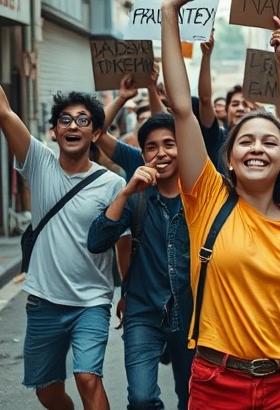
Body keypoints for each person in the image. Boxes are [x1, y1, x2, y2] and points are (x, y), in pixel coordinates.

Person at [160, 0, 280, 410]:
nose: (257, 148)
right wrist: (169, 16)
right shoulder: (206, 199)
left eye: (268, 143)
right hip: (215, 381)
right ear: (228, 159)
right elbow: (183, 108)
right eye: (246, 141)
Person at [0, 7, 125, 410]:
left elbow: (123, 244)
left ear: (96, 133)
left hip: (91, 303)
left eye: (83, 120)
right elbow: (2, 110)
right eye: (64, 120)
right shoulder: (39, 162)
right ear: (54, 131)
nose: (72, 126)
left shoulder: (112, 183)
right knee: (47, 391)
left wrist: (129, 292)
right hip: (43, 303)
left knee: (88, 378)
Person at [88, 112, 195, 410]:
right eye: (151, 147)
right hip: (143, 313)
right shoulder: (136, 197)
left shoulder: (202, 198)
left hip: (192, 317)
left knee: (192, 398)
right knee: (141, 399)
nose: (161, 153)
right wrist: (126, 191)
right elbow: (96, 242)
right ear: (143, 154)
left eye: (169, 144)